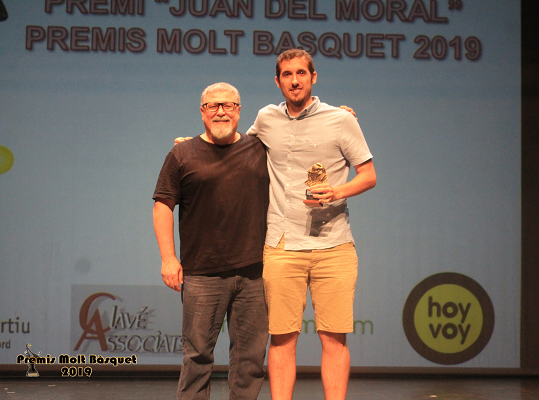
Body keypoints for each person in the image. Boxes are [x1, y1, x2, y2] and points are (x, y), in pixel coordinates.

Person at [248, 49, 376, 400]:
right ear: (277, 81)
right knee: (281, 338)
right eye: (287, 74)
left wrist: (336, 191)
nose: (295, 80)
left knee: (334, 338)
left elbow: (368, 176)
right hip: (282, 246)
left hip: (333, 247)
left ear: (313, 77)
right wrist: (197, 145)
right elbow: (237, 152)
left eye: (301, 73)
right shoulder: (266, 118)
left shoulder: (340, 119)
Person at [153, 82, 270, 400]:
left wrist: (337, 118)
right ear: (202, 112)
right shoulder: (182, 153)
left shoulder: (259, 149)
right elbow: (163, 204)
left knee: (250, 362)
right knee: (197, 359)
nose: (221, 111)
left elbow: (303, 145)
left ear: (239, 110)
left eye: (228, 105)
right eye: (213, 106)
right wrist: (168, 257)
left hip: (255, 274)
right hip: (201, 274)